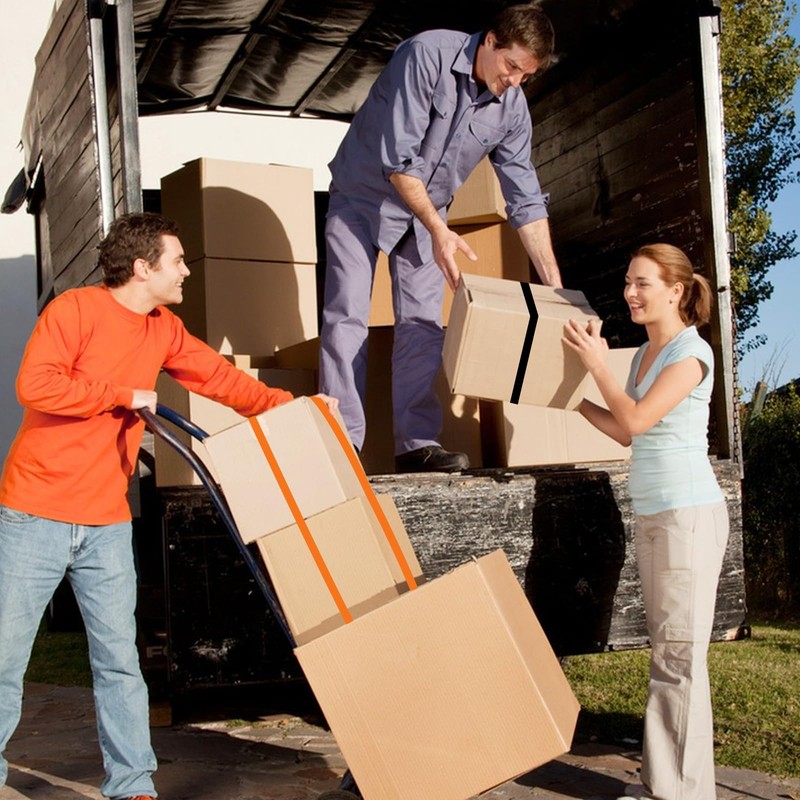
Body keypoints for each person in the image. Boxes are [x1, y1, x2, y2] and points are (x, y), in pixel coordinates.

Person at [0, 212, 337, 800]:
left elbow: (222, 380)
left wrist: (296, 406)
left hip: (107, 521)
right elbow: (36, 385)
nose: (185, 271)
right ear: (142, 267)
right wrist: (121, 395)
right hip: (36, 513)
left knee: (119, 663)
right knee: (5, 661)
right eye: (177, 261)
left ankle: (131, 784)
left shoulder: (164, 328)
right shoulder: (73, 311)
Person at [320, 2, 563, 473]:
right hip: (363, 195)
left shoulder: (512, 108)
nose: (515, 81)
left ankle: (415, 445)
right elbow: (399, 162)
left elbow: (526, 199)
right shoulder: (425, 55)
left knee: (423, 324)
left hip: (428, 211)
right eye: (512, 66)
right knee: (346, 314)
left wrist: (554, 288)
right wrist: (439, 231)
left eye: (526, 75)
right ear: (490, 41)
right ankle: (341, 442)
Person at [562, 243, 729, 800]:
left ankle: (679, 793)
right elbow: (624, 432)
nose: (630, 293)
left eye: (643, 284)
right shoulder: (641, 357)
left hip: (687, 518)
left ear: (676, 291)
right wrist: (571, 400)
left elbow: (636, 418)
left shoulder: (690, 353)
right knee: (668, 653)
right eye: (629, 282)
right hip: (656, 514)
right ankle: (668, 785)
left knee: (679, 658)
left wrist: (595, 364)